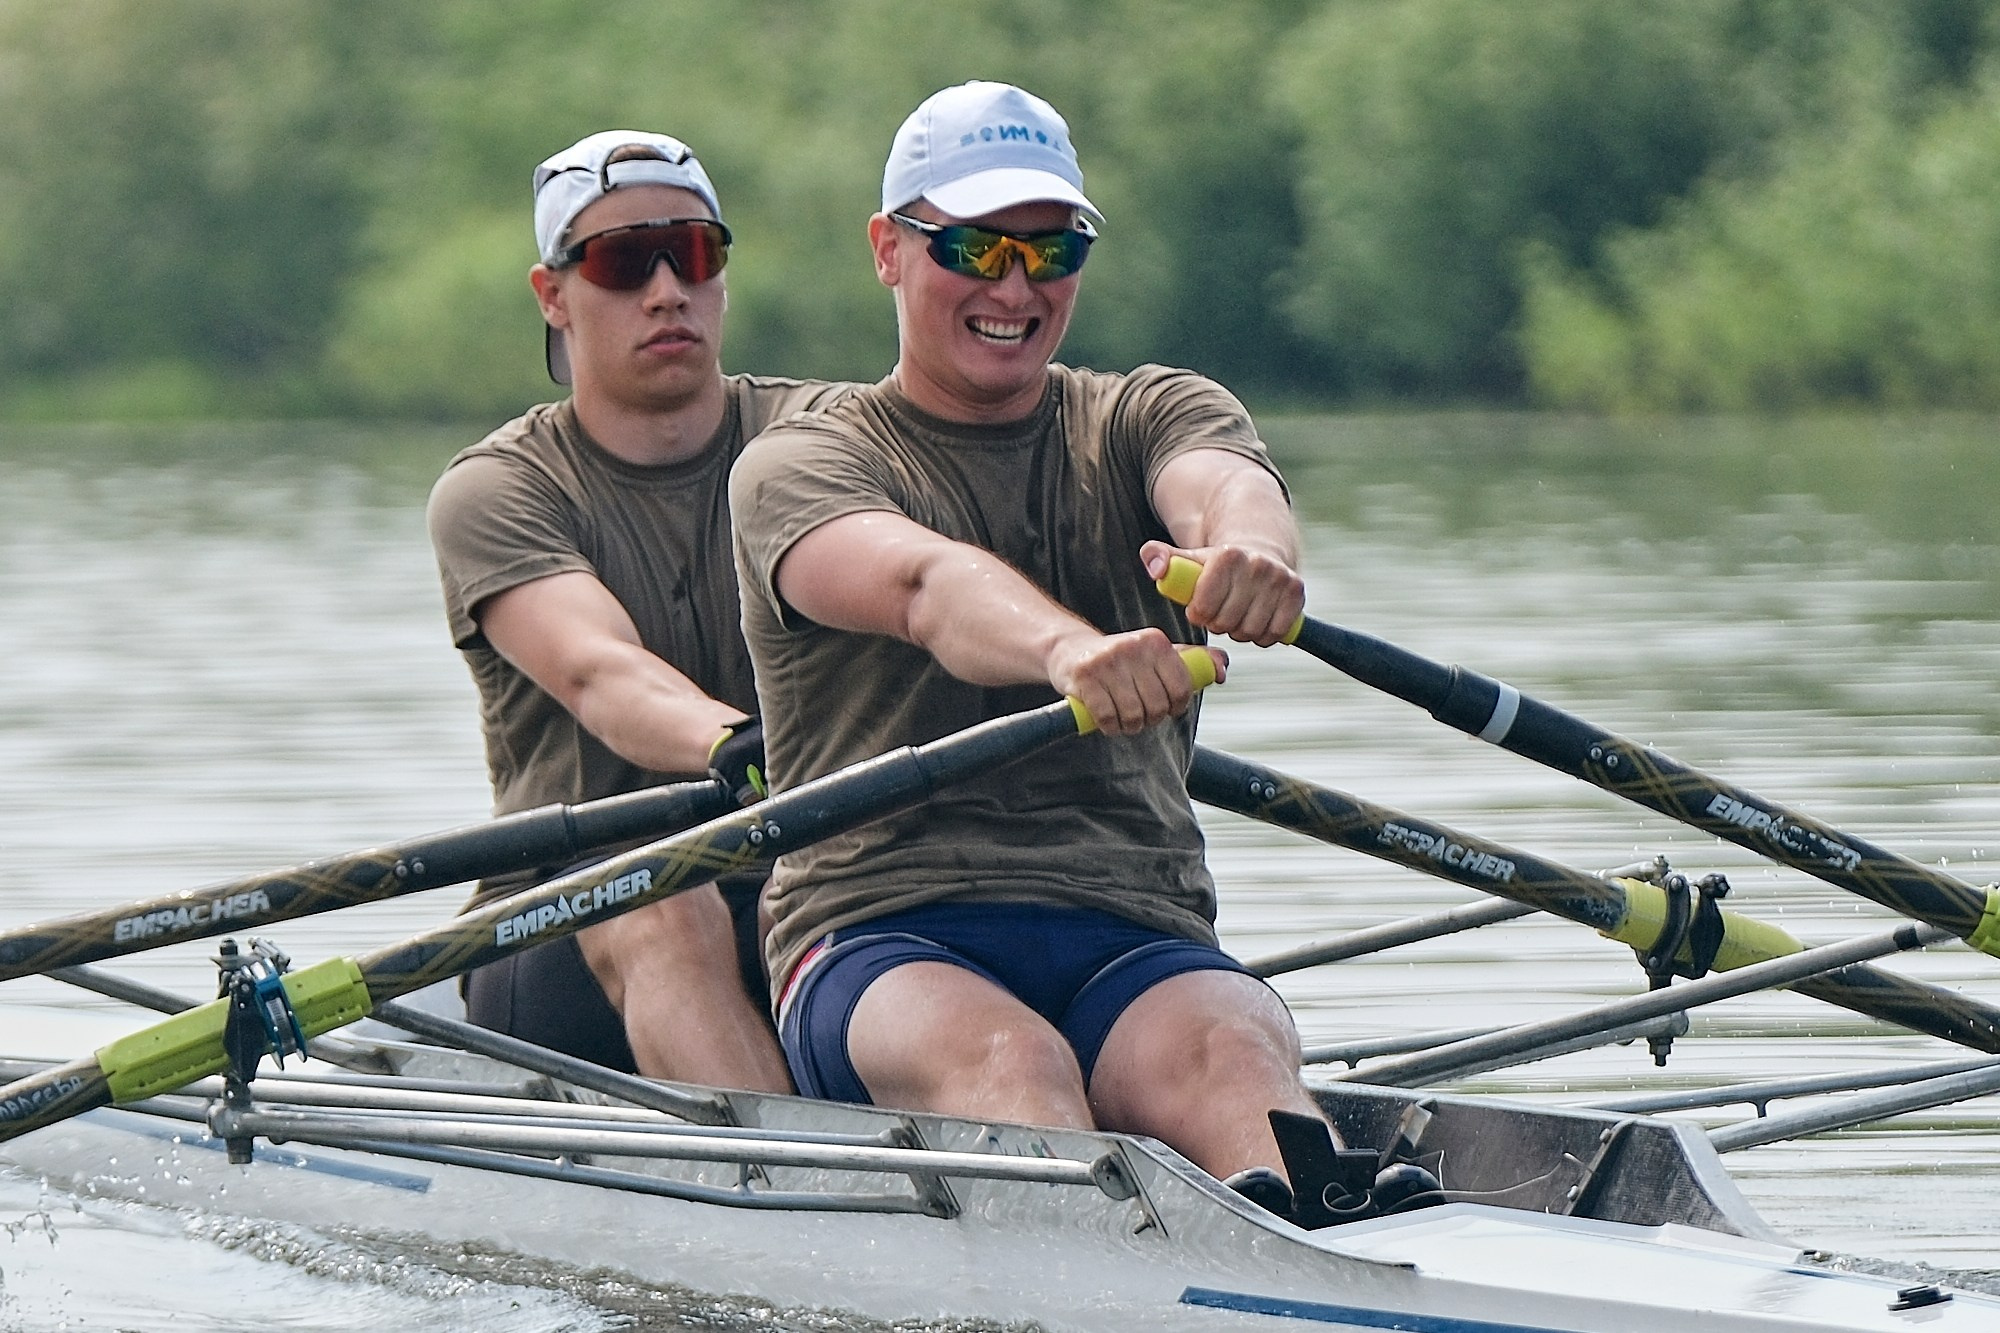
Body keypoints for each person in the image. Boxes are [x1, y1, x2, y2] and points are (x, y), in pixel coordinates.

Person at [728, 82, 1335, 1212]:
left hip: (1131, 925)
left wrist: (1250, 554)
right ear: (888, 250)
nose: (1014, 286)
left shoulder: (1147, 412)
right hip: (880, 932)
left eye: (1051, 250)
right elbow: (925, 587)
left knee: (1236, 1053)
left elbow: (1224, 486)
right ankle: (1099, 1257)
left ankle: (1316, 1230)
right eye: (975, 246)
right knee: (1014, 1064)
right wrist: (1068, 652)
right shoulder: (798, 464)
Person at [427, 129, 844, 1091]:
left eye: (694, 255)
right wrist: (738, 745)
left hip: (802, 876)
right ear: (553, 294)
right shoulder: (497, 491)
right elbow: (598, 671)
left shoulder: (827, 437)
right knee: (663, 896)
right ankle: (788, 1171)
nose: (667, 292)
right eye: (623, 262)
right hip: (566, 920)